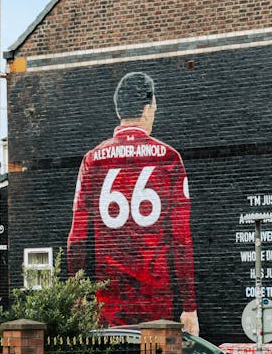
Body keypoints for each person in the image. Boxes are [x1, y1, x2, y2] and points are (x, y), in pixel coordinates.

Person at [67, 71, 198, 335]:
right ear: (148, 108)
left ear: (119, 110)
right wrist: (190, 307)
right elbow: (181, 239)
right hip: (156, 296)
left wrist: (76, 292)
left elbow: (77, 238)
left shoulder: (93, 160)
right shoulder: (169, 157)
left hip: (109, 297)